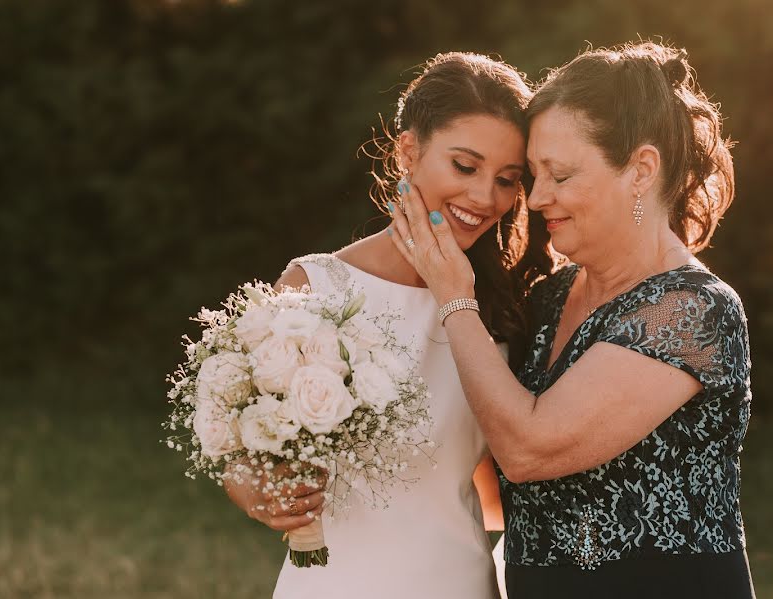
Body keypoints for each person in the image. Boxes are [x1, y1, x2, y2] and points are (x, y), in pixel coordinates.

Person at [389, 42, 755, 599]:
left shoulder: (691, 310)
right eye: (532, 176)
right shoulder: (549, 298)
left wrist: (454, 296)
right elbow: (491, 482)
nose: (535, 199)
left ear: (641, 169)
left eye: (558, 175)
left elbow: (528, 450)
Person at [224, 52, 548, 598]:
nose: (483, 197)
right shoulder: (314, 288)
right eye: (465, 167)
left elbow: (505, 479)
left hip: (460, 582)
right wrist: (259, 495)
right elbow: (244, 453)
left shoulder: (509, 304)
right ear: (408, 150)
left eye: (506, 180)